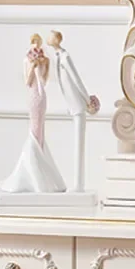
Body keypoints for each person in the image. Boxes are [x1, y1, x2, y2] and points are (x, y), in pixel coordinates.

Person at [0, 34, 66, 194]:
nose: (35, 45)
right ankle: (31, 170)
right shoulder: (26, 60)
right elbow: (28, 82)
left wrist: (42, 64)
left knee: (41, 130)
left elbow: (44, 80)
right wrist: (33, 66)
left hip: (42, 96)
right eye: (33, 43)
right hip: (33, 95)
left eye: (38, 43)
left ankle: (41, 168)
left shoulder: (46, 60)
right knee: (34, 129)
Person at [47, 30, 100, 193]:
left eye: (50, 36)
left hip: (78, 104)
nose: (48, 39)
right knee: (77, 142)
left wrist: (87, 100)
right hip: (72, 104)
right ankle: (78, 183)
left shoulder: (65, 57)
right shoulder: (58, 56)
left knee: (79, 143)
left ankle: (79, 185)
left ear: (55, 40)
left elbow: (76, 79)